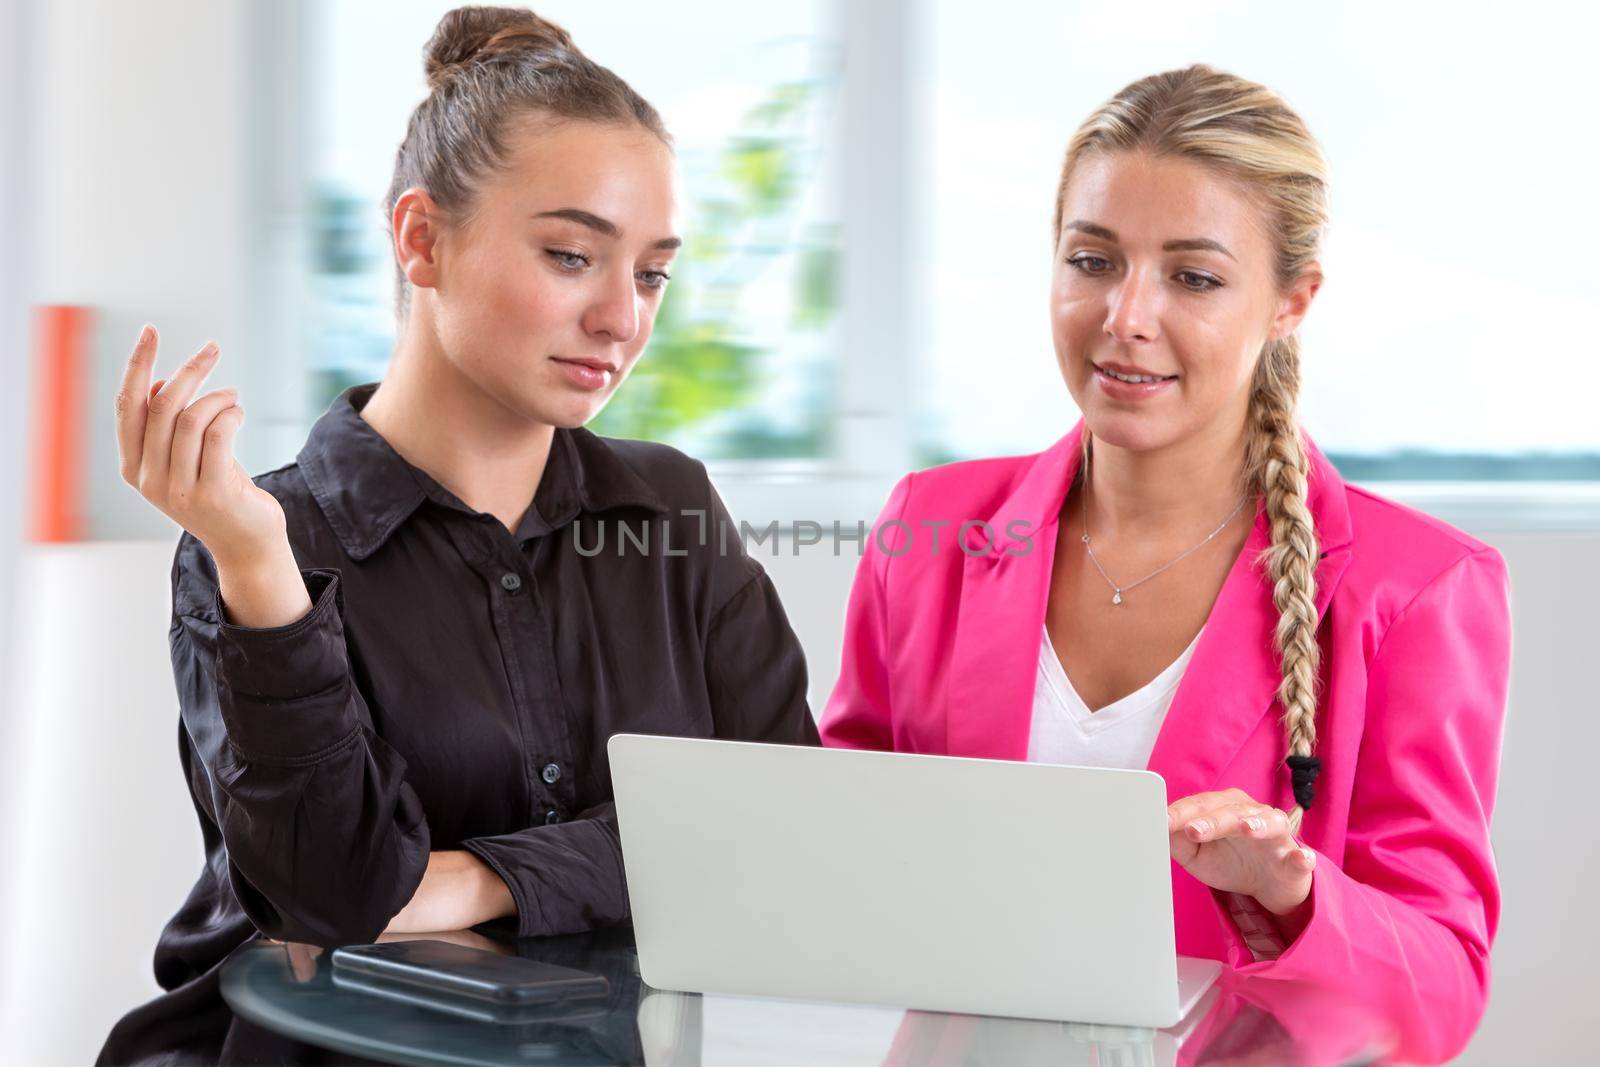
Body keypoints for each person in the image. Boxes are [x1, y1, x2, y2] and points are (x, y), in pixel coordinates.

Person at [99, 7, 817, 1063]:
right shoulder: (254, 542)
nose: (624, 317)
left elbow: (787, 829)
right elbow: (336, 894)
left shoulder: (671, 513)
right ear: (421, 239)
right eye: (574, 255)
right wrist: (258, 567)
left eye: (652, 271)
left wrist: (473, 877)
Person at [820, 64, 1510, 1066]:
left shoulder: (1415, 589)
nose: (1125, 317)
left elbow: (1440, 994)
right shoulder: (927, 528)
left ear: (1290, 302)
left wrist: (1292, 890)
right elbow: (846, 845)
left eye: (1193, 276)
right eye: (1092, 260)